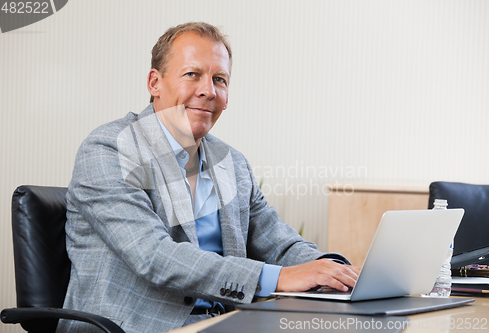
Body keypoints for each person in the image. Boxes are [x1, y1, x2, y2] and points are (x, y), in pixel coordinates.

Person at [57, 22, 360, 333]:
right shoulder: (109, 149)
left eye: (220, 80)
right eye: (192, 75)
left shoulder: (232, 163)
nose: (208, 90)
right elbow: (154, 256)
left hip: (226, 323)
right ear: (154, 83)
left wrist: (338, 273)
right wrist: (278, 278)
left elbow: (279, 243)